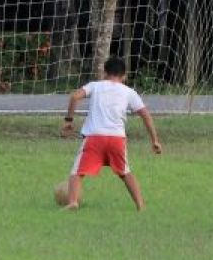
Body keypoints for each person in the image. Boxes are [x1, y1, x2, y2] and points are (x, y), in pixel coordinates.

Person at [59, 57, 163, 212]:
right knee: (125, 172)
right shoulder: (129, 92)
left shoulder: (95, 86)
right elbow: (145, 115)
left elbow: (74, 97)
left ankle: (73, 201)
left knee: (77, 172)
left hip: (94, 138)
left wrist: (68, 121)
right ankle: (140, 205)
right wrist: (155, 140)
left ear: (105, 72)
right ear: (125, 75)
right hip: (117, 139)